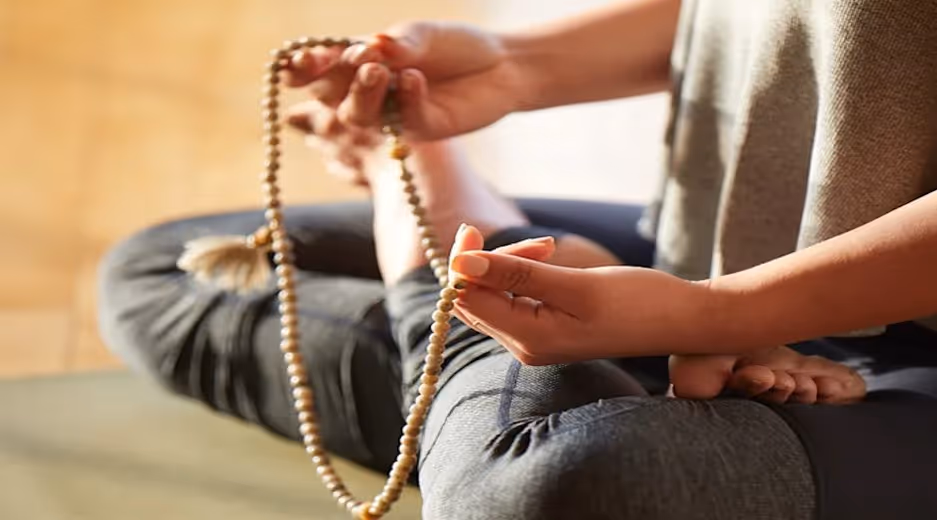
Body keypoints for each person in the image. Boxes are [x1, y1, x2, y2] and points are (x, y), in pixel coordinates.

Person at [98, 1, 937, 518]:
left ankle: (449, 241)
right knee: (166, 273)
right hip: (745, 256)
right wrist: (514, 67)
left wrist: (720, 313)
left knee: (536, 491)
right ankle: (510, 313)